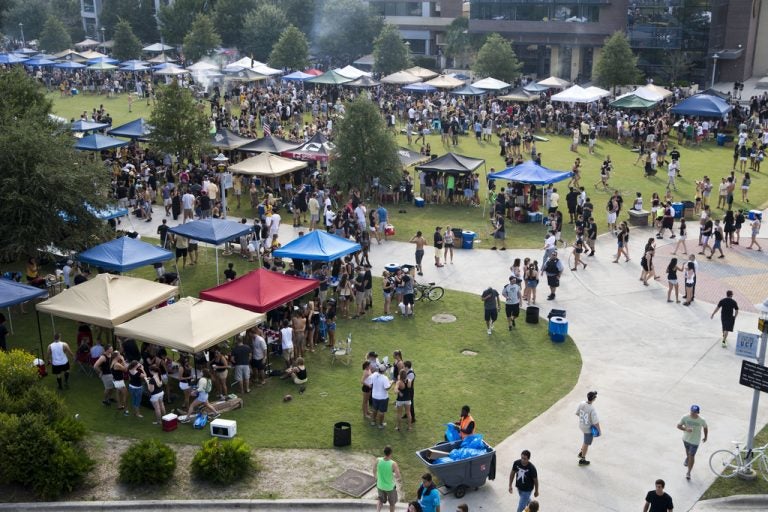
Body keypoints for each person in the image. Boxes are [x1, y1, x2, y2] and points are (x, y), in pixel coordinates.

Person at [678, 404, 708, 480]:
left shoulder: (702, 420)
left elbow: (705, 428)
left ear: (698, 412)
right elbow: (678, 426)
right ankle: (687, 458)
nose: (693, 413)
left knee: (692, 455)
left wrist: (705, 437)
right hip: (685, 439)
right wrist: (685, 429)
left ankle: (688, 472)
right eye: (692, 411)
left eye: (695, 412)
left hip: (695, 441)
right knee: (688, 453)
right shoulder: (685, 417)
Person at [374, 446, 402, 512]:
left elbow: (374, 470)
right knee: (392, 504)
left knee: (380, 500)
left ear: (384, 452)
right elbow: (398, 476)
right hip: (390, 488)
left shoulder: (378, 460)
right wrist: (394, 475)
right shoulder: (393, 464)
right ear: (391, 453)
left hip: (380, 485)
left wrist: (376, 478)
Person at [576, 390, 600, 466]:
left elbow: (577, 413)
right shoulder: (592, 409)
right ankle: (582, 459)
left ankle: (581, 452)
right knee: (587, 443)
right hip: (588, 429)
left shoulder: (582, 403)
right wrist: (599, 431)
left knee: (585, 439)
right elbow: (596, 423)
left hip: (581, 425)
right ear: (593, 399)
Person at [370, 363, 392, 429]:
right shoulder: (385, 378)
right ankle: (380, 424)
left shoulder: (374, 374)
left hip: (374, 396)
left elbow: (371, 383)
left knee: (374, 409)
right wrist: (391, 383)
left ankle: (373, 421)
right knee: (382, 412)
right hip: (383, 398)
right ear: (384, 371)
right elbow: (387, 388)